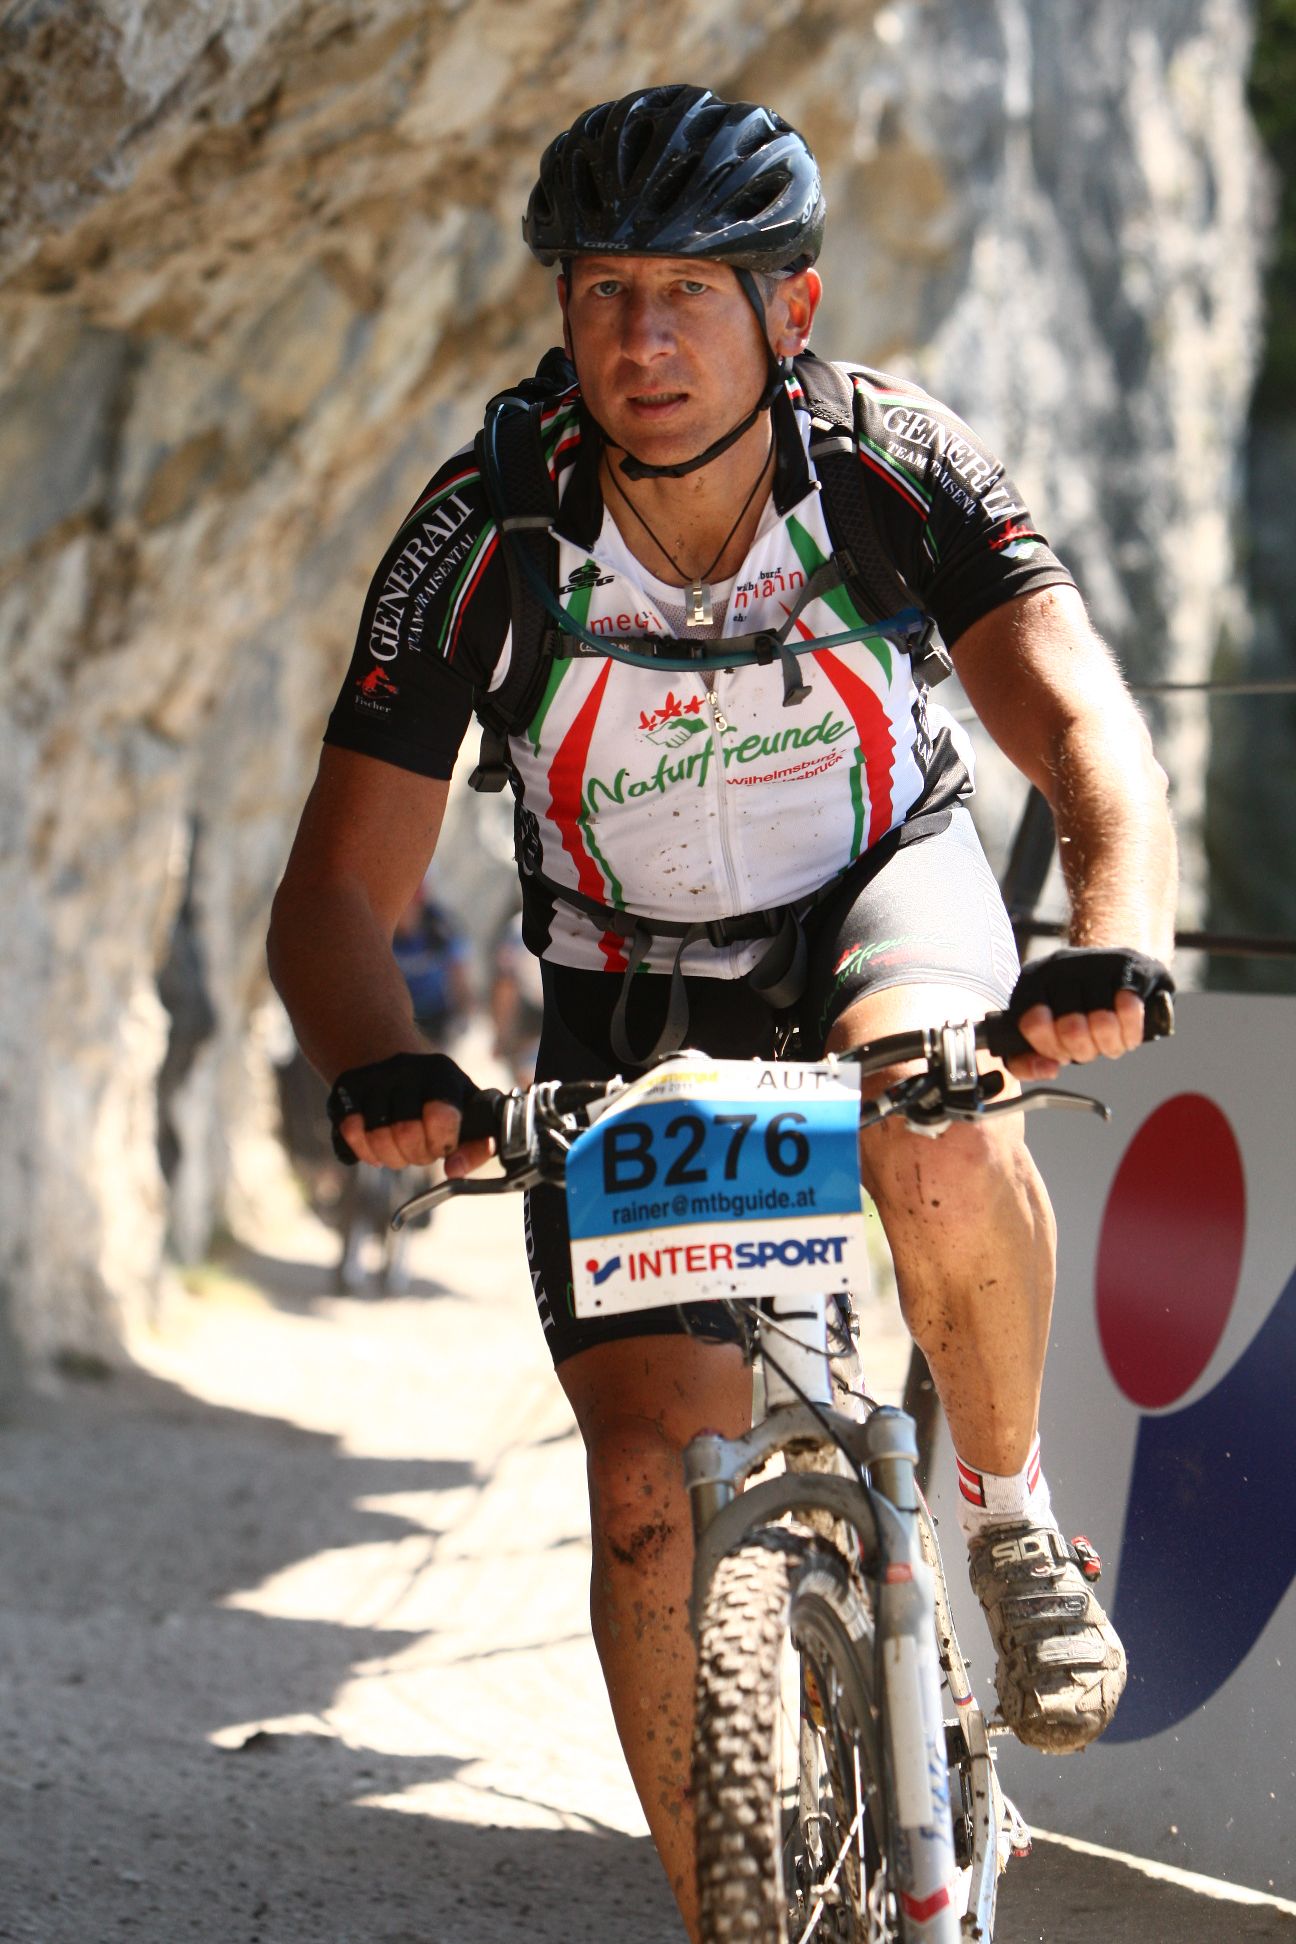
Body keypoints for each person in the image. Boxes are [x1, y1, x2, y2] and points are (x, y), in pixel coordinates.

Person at [267, 85, 1177, 1936]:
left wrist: (1109, 935)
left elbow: (1083, 721)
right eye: (605, 290)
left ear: (793, 309)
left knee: (934, 1129)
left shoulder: (891, 464)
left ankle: (1008, 1517)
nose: (644, 340)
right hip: (625, 982)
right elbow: (335, 894)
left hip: (876, 897)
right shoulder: (489, 521)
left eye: (692, 291)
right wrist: (385, 1064)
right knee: (639, 1494)